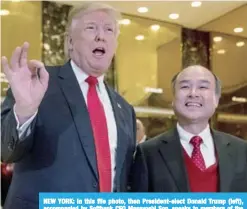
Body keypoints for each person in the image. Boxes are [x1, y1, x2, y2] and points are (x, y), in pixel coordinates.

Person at [1, 3, 136, 209]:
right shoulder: (38, 83)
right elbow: (5, 151)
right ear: (70, 41)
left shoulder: (125, 109)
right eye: (91, 28)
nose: (101, 36)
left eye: (109, 30)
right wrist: (25, 110)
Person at [131, 65, 247, 192]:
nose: (193, 93)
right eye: (185, 86)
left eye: (203, 87)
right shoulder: (148, 153)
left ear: (216, 100)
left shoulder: (241, 151)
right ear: (173, 100)